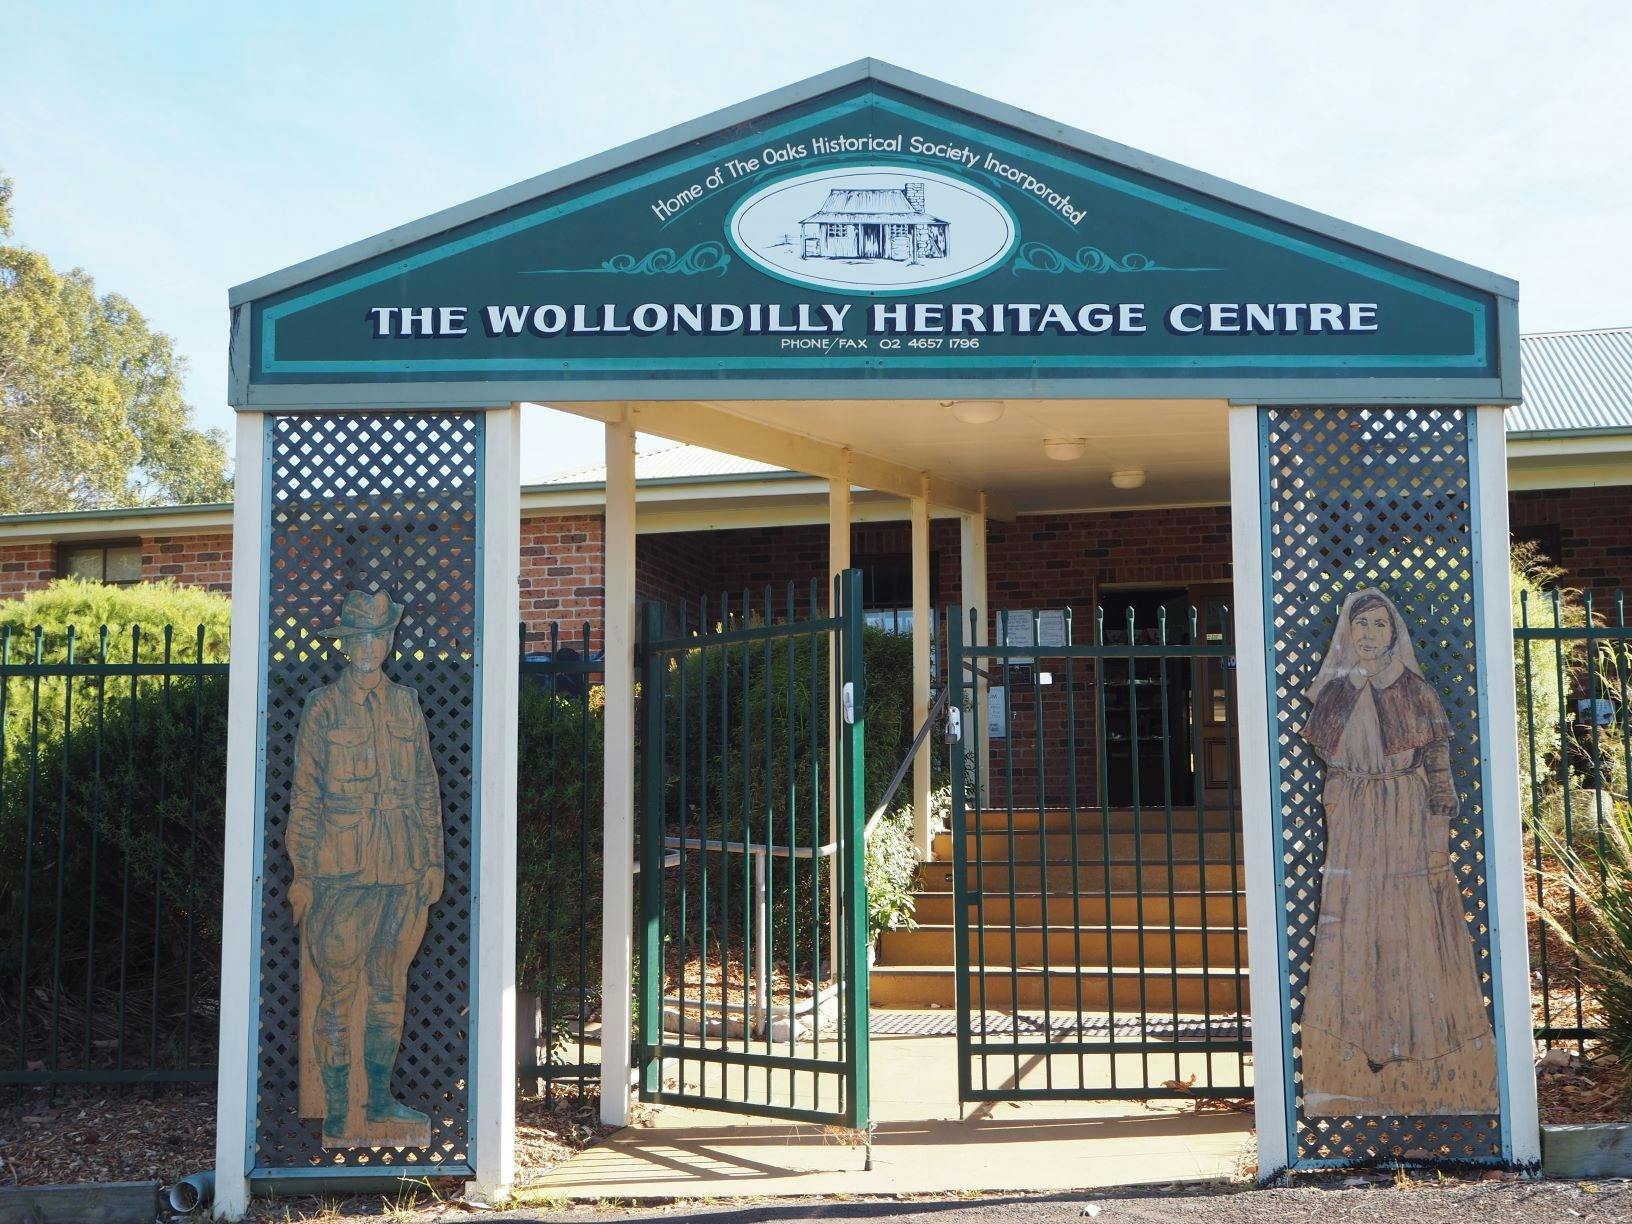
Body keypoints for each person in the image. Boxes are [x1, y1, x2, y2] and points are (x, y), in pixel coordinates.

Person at [1297, 587, 1498, 1117]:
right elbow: (1331, 760)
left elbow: (1438, 770)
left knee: (1406, 924)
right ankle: (1361, 1040)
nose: (1368, 634)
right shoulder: (1335, 692)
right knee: (1357, 925)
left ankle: (1414, 1041)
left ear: (1394, 634)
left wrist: (1437, 841)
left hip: (1405, 817)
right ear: (1347, 631)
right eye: (1360, 623)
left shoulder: (1415, 691)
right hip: (1354, 823)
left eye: (1379, 625)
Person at [288, 590, 444, 1146]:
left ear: (389, 641)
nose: (368, 647)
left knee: (388, 990)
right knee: (337, 990)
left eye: (377, 635)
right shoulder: (323, 707)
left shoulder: (407, 703)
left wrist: (434, 859)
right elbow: (304, 794)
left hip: (402, 867)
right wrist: (303, 871)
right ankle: (337, 1110)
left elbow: (427, 786)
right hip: (341, 872)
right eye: (358, 637)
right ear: (347, 644)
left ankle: (378, 1099)